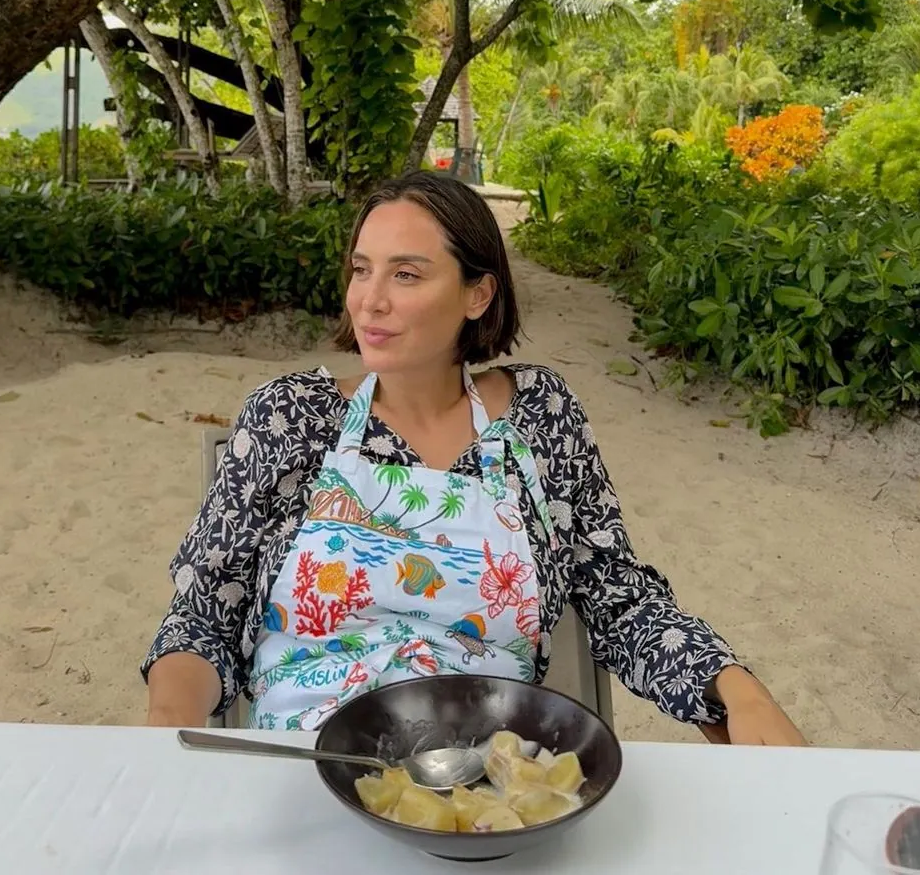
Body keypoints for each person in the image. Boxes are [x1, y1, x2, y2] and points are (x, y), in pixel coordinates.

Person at [143, 170, 804, 745]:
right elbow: (203, 614)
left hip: (489, 781)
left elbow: (616, 594)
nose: (370, 299)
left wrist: (733, 687)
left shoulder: (540, 415)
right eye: (362, 268)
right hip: (306, 768)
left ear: (477, 294)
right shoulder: (290, 417)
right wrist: (166, 729)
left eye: (406, 274)